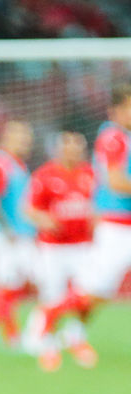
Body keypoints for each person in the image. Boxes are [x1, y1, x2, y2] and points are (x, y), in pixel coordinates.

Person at [22, 131, 97, 371]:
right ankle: (49, 347)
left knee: (86, 297)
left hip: (83, 246)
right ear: (59, 149)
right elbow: (29, 209)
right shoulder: (45, 175)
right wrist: (46, 221)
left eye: (78, 146)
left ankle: (76, 338)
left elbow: (98, 204)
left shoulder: (90, 173)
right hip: (53, 248)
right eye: (69, 146)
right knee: (52, 297)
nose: (74, 151)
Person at [0, 119, 37, 344]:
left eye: (27, 138)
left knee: (26, 282)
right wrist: (6, 230)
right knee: (10, 282)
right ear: (7, 137)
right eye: (21, 137)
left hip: (22, 234)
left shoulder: (18, 164)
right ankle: (11, 335)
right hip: (6, 235)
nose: (26, 142)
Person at [91, 83, 131, 301]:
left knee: (98, 290)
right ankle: (46, 320)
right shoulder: (113, 137)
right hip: (116, 223)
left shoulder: (122, 136)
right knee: (96, 290)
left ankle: (70, 332)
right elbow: (116, 182)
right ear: (116, 110)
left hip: (122, 222)